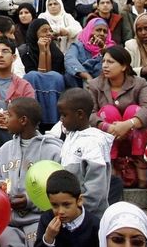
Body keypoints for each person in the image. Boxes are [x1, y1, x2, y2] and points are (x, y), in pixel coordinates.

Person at [0, 98, 62, 247]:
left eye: (9, 115)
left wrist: (29, 200)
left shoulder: (52, 152)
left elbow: (58, 190)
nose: (5, 118)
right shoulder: (4, 150)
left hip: (39, 220)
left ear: (23, 120)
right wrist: (0, 187)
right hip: (9, 221)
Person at [89, 45, 147, 187]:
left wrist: (128, 124)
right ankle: (111, 165)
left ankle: (140, 166)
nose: (105, 66)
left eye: (110, 62)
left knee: (134, 110)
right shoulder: (95, 85)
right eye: (104, 62)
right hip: (109, 136)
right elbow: (90, 113)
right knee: (108, 111)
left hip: (134, 137)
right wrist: (107, 126)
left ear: (124, 66)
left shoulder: (139, 83)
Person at [53, 88, 113, 218]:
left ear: (80, 114)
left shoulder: (93, 142)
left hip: (89, 217)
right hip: (69, 213)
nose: (61, 119)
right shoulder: (70, 137)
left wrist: (79, 210)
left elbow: (96, 187)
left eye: (64, 115)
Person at [32, 169, 100, 247]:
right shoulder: (47, 220)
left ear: (79, 200)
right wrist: (49, 237)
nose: (60, 211)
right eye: (55, 205)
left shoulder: (94, 225)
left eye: (66, 204)